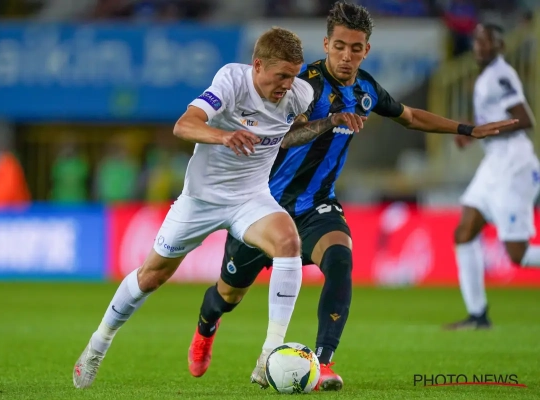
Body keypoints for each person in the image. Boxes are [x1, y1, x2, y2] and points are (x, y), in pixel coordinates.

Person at [186, 1, 519, 392]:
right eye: (340, 46)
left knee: (340, 258)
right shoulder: (302, 86)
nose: (347, 56)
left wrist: (466, 128)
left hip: (316, 205)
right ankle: (206, 328)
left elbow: (410, 117)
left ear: (366, 50)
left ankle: (324, 362)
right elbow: (282, 138)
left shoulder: (366, 89)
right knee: (227, 295)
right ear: (327, 44)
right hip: (263, 205)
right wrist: (329, 122)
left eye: (355, 48)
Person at [72, 26, 367, 389]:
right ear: (257, 66)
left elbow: (289, 134)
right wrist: (224, 135)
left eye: (293, 76)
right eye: (281, 76)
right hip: (201, 200)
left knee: (287, 242)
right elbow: (184, 125)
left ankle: (268, 356)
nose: (288, 85)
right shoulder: (231, 80)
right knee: (151, 276)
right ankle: (98, 344)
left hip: (251, 197)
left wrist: (328, 123)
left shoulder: (299, 93)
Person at [445, 23, 540, 330]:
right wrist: (473, 131)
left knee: (518, 254)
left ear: (501, 46)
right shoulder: (486, 77)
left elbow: (525, 119)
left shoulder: (501, 74)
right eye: (478, 41)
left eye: (488, 42)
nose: (481, 46)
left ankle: (478, 315)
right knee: (464, 233)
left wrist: (480, 130)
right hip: (494, 165)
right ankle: (478, 316)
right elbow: (494, 119)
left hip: (514, 166)